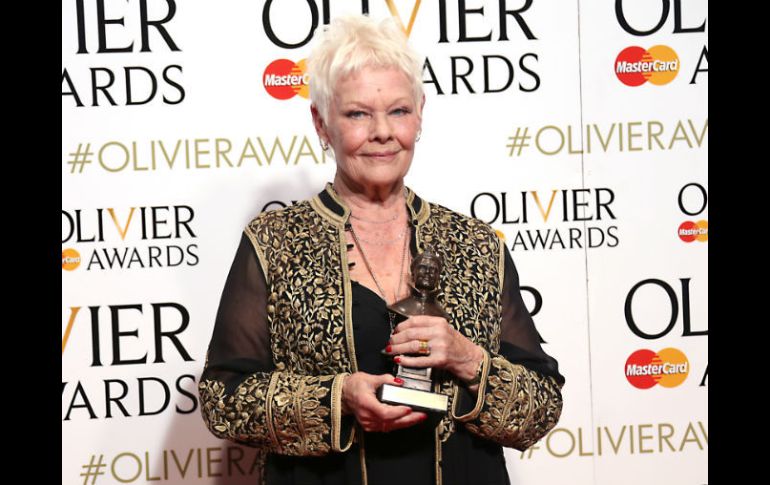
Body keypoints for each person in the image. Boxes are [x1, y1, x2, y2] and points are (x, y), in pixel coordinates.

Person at [198, 15, 564, 485]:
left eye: (398, 111)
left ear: (420, 114)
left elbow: (541, 407)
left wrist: (466, 359)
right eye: (357, 114)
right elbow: (223, 401)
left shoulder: (473, 243)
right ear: (321, 123)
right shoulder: (275, 243)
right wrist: (337, 399)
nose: (382, 132)